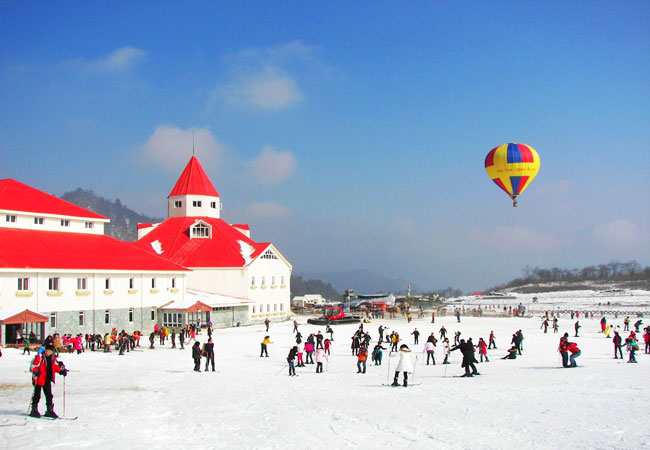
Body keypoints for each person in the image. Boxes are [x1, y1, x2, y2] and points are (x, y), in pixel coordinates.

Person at [29, 343, 67, 418]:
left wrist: (61, 371)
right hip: (38, 379)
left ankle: (49, 410)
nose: (47, 353)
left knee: (49, 395)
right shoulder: (39, 357)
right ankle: (34, 409)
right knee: (37, 395)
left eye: (49, 352)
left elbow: (55, 366)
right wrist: (36, 371)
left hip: (47, 379)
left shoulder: (53, 358)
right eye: (46, 351)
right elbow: (33, 366)